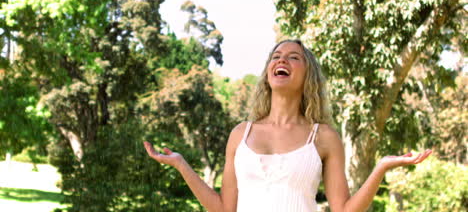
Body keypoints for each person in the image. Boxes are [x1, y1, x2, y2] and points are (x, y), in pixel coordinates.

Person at [143, 39, 432, 212]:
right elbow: (223, 208)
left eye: (293, 57)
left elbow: (343, 209)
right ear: (269, 71)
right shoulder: (239, 135)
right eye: (276, 56)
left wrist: (380, 166)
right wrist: (182, 165)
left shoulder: (324, 137)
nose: (282, 60)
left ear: (308, 77)